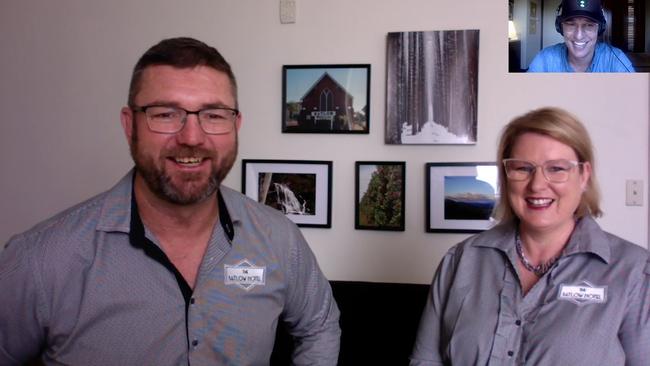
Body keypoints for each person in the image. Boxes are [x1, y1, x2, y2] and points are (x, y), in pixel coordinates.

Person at [0, 37, 340, 365]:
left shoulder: (278, 237)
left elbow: (319, 326)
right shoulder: (40, 260)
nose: (192, 137)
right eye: (165, 114)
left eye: (213, 114)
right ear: (129, 124)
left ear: (236, 125)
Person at [410, 107, 650, 365]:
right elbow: (426, 361)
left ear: (583, 176)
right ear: (506, 176)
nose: (537, 184)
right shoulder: (461, 260)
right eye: (523, 168)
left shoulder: (633, 271)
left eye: (557, 168)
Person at [527, 0, 634, 72]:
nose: (579, 36)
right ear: (560, 27)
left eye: (589, 25)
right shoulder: (544, 59)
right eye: (571, 24)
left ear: (600, 29)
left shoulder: (615, 59)